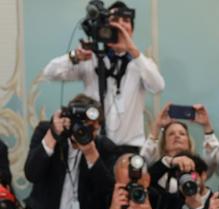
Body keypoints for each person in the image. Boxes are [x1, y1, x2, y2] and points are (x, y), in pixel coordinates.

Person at [42, 2, 164, 151]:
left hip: (129, 148)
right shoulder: (91, 58)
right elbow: (49, 73)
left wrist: (132, 50)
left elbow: (158, 86)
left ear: (131, 30)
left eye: (126, 21)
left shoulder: (141, 63)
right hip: (93, 145)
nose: (120, 26)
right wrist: (75, 56)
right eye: (115, 21)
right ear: (104, 27)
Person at [141, 102, 219, 178]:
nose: (177, 136)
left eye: (182, 134)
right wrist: (157, 126)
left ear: (189, 143)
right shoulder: (158, 167)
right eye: (171, 134)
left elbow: (212, 160)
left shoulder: (197, 167)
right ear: (164, 144)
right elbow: (144, 161)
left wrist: (206, 125)